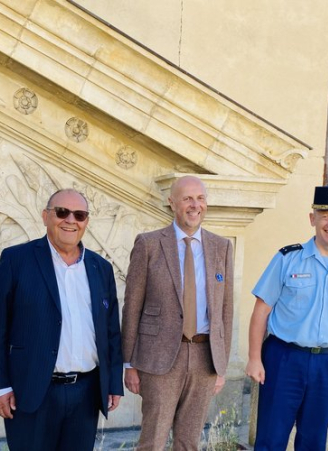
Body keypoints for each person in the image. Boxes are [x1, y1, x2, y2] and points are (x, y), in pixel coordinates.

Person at [0, 188, 124, 451]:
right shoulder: (16, 260)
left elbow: (111, 331)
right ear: (46, 216)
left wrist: (114, 382)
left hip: (86, 392)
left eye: (79, 215)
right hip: (33, 391)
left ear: (86, 222)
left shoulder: (100, 268)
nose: (71, 220)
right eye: (62, 212)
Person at [245, 185, 328, 450]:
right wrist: (254, 357)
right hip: (283, 359)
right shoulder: (287, 259)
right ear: (312, 219)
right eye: (325, 215)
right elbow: (262, 310)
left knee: (313, 440)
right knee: (271, 438)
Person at [122, 175, 234, 450]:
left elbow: (225, 311)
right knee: (153, 440)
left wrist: (221, 365)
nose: (195, 205)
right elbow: (132, 305)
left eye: (200, 198)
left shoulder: (222, 247)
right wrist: (128, 363)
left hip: (204, 358)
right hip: (159, 358)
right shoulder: (148, 244)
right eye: (187, 198)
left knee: (189, 441)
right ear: (172, 203)